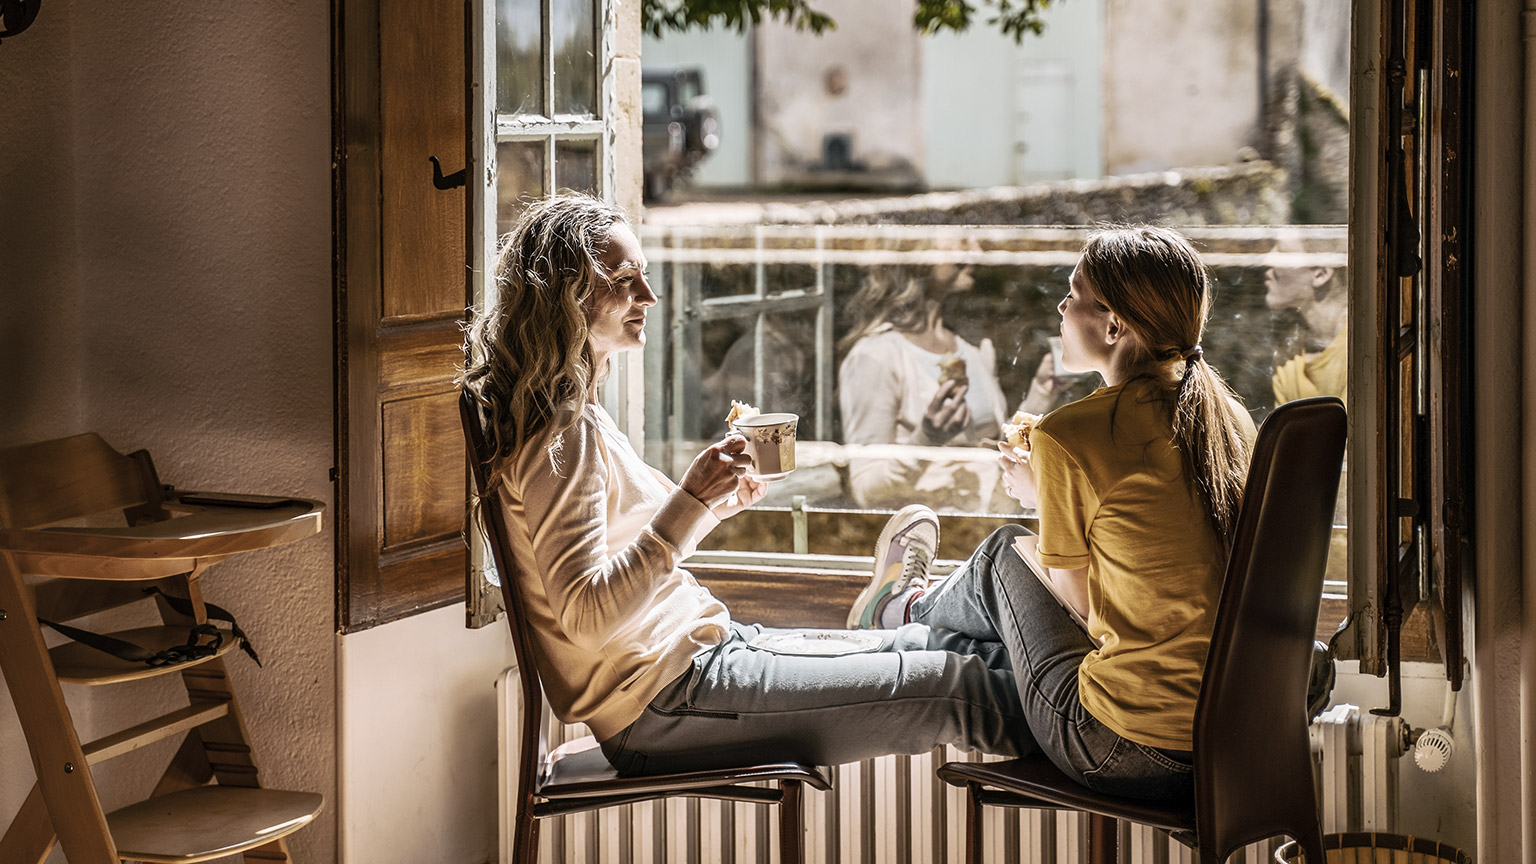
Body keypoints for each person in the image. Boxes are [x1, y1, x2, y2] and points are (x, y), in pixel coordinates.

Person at [459, 193, 1035, 776]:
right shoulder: (561, 434)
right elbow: (586, 616)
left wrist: (712, 506)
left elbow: (632, 548)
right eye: (625, 280)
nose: (649, 298)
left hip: (705, 658)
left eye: (646, 277)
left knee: (945, 653)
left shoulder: (575, 413)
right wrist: (689, 501)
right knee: (957, 686)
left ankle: (1067, 700)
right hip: (667, 702)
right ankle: (1105, 742)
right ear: (566, 297)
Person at [849, 225, 1257, 801]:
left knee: (1002, 554)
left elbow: (1086, 610)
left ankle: (899, 610)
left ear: (1113, 325)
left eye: (1073, 294)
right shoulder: (1225, 422)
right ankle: (920, 625)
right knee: (998, 624)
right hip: (1230, 740)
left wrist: (1041, 496)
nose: (1061, 308)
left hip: (1116, 745)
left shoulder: (1073, 435)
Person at [837, 234, 1019, 512]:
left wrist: (1042, 394)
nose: (978, 251)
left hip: (987, 536)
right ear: (917, 249)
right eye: (962, 241)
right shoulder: (875, 356)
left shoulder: (970, 352)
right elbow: (865, 490)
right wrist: (926, 439)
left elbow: (989, 449)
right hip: (926, 543)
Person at [1263, 229, 1348, 404]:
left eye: (1282, 252)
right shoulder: (1289, 356)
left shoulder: (1359, 347)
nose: (1267, 259)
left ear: (1320, 274)